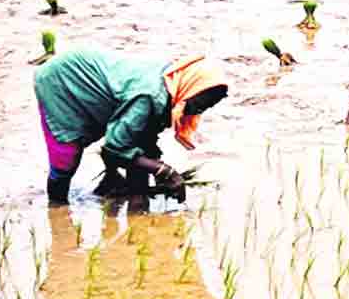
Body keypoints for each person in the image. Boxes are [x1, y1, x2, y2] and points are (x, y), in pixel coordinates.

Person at [33, 50, 229, 204]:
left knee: (132, 139)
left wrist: (142, 191)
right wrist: (165, 172)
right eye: (201, 100)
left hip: (104, 87)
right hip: (62, 79)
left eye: (209, 105)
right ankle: (57, 212)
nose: (201, 108)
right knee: (67, 157)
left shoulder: (171, 85)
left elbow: (141, 141)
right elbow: (113, 150)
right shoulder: (149, 96)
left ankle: (113, 184)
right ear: (191, 87)